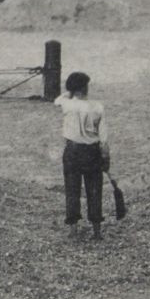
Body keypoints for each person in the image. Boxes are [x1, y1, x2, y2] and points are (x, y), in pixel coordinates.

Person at [57, 71, 110, 239]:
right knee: (94, 190)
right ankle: (96, 230)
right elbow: (104, 138)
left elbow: (57, 100)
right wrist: (106, 158)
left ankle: (73, 229)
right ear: (85, 87)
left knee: (72, 189)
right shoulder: (98, 107)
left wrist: (69, 92)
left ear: (73, 89)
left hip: (72, 151)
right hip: (92, 151)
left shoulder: (67, 105)